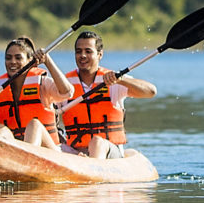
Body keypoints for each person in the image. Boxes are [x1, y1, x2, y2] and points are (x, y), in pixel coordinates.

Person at [60, 31, 156, 159]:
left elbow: (151, 92)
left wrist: (121, 79)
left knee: (97, 142)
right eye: (79, 51)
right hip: (76, 153)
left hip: (109, 152)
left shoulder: (113, 81)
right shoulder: (65, 84)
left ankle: (94, 172)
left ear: (100, 54)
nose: (82, 55)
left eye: (88, 51)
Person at [0, 35, 70, 151]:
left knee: (34, 125)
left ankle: (28, 158)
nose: (12, 62)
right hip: (16, 154)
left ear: (29, 61)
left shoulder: (42, 83)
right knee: (1, 129)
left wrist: (48, 61)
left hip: (48, 151)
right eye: (8, 58)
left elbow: (67, 92)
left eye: (18, 58)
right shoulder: (0, 92)